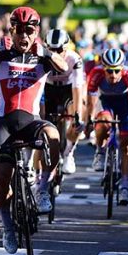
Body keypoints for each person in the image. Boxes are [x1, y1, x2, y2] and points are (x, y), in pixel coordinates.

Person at [0, 6, 69, 254]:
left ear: (36, 32)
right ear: (12, 30)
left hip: (31, 121)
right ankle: (7, 227)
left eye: (28, 30)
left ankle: (42, 187)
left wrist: (43, 50)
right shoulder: (3, 52)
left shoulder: (42, 56)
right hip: (4, 124)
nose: (23, 35)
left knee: (53, 135)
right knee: (2, 178)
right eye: (18, 30)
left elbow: (63, 67)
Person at [85, 47, 128, 205]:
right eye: (109, 71)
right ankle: (100, 151)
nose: (113, 75)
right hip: (106, 102)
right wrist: (89, 121)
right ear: (104, 68)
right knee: (103, 123)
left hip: (125, 104)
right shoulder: (96, 73)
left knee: (127, 143)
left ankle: (125, 187)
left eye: (117, 71)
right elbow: (91, 102)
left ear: (122, 68)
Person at [41, 28, 86, 175]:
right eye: (51, 49)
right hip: (48, 89)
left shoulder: (75, 59)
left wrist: (77, 115)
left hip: (68, 90)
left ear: (66, 47)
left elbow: (77, 88)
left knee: (79, 116)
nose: (55, 53)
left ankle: (69, 153)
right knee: (39, 122)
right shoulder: (41, 57)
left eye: (59, 49)